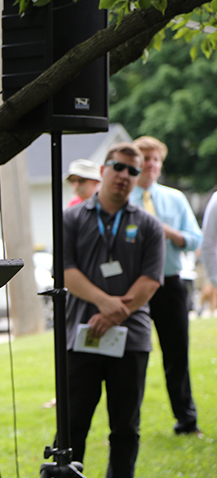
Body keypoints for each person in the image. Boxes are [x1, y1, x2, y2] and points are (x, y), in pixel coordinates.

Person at [63, 142, 165, 477]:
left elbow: (151, 280)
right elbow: (66, 273)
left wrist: (112, 314)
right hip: (82, 335)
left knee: (125, 428)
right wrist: (106, 303)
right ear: (103, 170)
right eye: (118, 167)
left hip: (131, 339)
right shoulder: (72, 218)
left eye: (133, 171)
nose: (124, 175)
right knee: (73, 425)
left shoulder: (149, 226)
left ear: (138, 178)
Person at [129, 135, 203, 437]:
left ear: (161, 165)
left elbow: (196, 240)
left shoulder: (175, 199)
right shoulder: (123, 199)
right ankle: (127, 425)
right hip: (133, 288)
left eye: (155, 159)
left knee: (177, 356)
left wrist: (169, 231)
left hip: (171, 285)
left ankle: (187, 423)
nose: (150, 164)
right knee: (132, 359)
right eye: (145, 159)